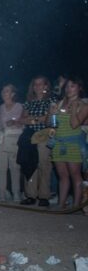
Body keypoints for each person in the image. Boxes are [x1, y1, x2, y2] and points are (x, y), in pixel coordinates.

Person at [49, 78, 88, 209]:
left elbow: (75, 124)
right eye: (67, 86)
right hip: (58, 143)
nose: (68, 89)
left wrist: (74, 109)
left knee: (75, 176)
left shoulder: (84, 106)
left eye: (72, 86)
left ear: (79, 88)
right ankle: (61, 204)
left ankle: (76, 206)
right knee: (63, 176)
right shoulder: (59, 103)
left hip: (74, 144)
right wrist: (51, 113)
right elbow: (51, 124)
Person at [19, 76, 56, 206]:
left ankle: (44, 196)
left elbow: (49, 119)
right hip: (30, 136)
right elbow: (22, 119)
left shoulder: (51, 100)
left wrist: (32, 119)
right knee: (30, 164)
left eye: (41, 84)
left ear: (46, 86)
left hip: (45, 135)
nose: (37, 86)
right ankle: (30, 195)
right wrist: (38, 118)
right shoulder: (29, 102)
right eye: (35, 84)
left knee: (44, 165)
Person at [0, 84, 23, 202]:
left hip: (14, 140)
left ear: (13, 94)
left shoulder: (19, 106)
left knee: (15, 167)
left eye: (7, 91)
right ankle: (2, 193)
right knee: (1, 168)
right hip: (1, 140)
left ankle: (16, 192)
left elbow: (21, 121)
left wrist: (14, 122)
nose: (4, 93)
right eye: (3, 91)